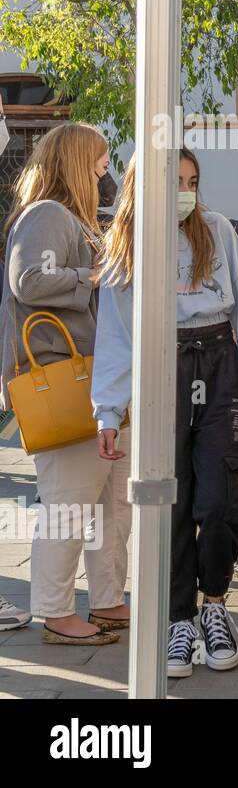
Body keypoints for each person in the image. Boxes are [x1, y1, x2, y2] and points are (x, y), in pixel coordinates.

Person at [92, 147, 238, 677]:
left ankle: (214, 603)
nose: (186, 191)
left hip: (218, 363)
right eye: (175, 180)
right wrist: (108, 411)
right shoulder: (127, 243)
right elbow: (116, 335)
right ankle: (178, 619)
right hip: (161, 369)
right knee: (170, 501)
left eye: (192, 180)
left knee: (218, 497)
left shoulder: (215, 230)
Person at [0, 123, 129, 645]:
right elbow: (27, 280)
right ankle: (55, 611)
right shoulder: (48, 215)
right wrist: (91, 276)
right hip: (64, 380)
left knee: (108, 503)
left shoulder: (70, 217)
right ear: (76, 162)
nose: (106, 170)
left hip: (89, 381)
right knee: (70, 501)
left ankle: (106, 600)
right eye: (98, 161)